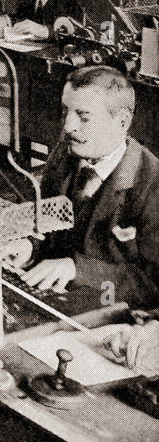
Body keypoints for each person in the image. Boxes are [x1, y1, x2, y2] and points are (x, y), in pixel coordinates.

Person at [19, 67, 157, 312]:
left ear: (122, 122)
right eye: (65, 112)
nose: (68, 126)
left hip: (113, 316)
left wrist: (77, 269)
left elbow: (152, 287)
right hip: (61, 302)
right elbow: (48, 228)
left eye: (84, 117)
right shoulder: (66, 155)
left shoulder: (152, 183)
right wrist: (29, 248)